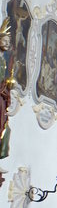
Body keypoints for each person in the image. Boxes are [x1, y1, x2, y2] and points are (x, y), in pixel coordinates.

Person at [0, 16, 12, 162]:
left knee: (4, 126)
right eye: (5, 41)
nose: (7, 44)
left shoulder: (3, 61)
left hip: (2, 97)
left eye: (8, 42)